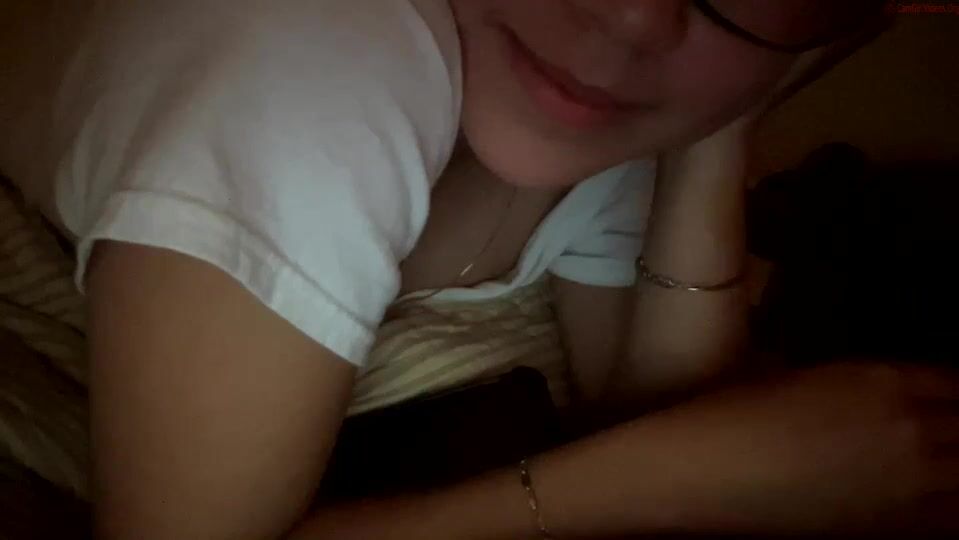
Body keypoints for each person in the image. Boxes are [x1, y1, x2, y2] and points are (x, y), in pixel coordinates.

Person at [2, 0, 958, 538]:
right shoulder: (311, 58)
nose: (634, 18)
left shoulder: (584, 107)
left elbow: (649, 401)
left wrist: (720, 126)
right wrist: (683, 478)